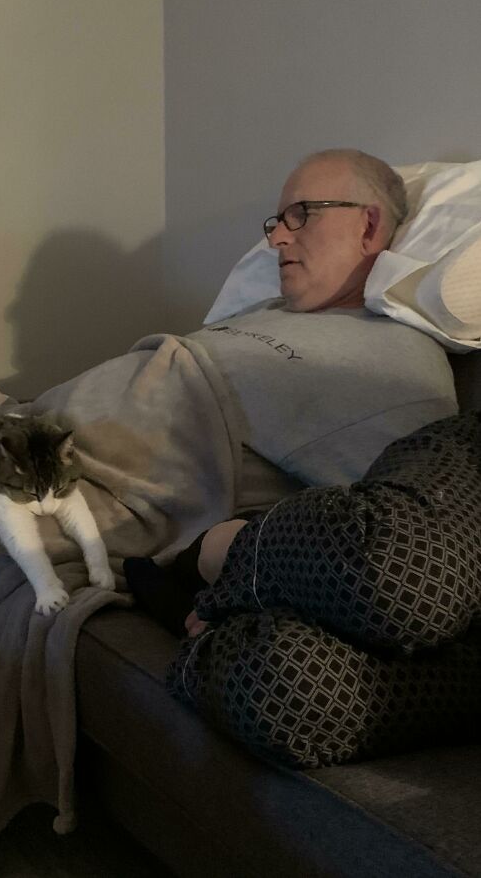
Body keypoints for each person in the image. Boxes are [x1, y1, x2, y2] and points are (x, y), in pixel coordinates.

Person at [124, 147, 458, 636]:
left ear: (368, 226)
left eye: (301, 216)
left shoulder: (395, 363)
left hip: (98, 481)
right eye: (277, 222)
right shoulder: (258, 312)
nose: (277, 239)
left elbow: (388, 532)